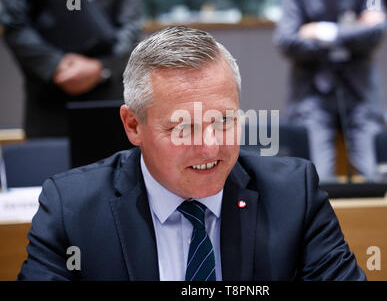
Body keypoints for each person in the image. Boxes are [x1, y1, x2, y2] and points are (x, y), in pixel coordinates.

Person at [18, 26, 366, 281]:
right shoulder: (72, 208)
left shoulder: (293, 194)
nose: (211, 147)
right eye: (183, 128)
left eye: (224, 120)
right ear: (133, 126)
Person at [274, 0, 387, 180]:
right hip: (311, 97)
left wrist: (323, 31)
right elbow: (287, 40)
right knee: (318, 180)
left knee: (374, 179)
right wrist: (353, 31)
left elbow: (376, 32)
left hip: (361, 94)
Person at [0, 0, 143, 137]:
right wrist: (56, 64)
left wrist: (101, 67)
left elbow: (131, 28)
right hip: (49, 97)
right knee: (46, 160)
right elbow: (14, 25)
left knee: (114, 157)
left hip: (107, 94)